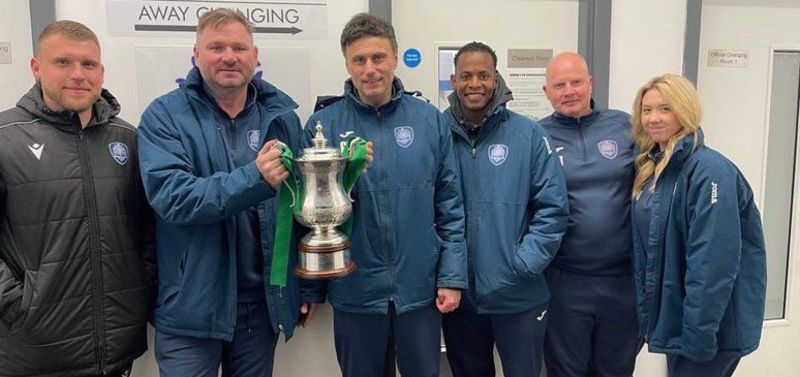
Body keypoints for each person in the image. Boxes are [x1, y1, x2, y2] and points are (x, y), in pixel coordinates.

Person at [137, 9, 310, 377]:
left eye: (239, 47)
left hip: (260, 308)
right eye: (216, 47)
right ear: (196, 56)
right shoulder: (164, 116)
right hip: (191, 309)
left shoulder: (282, 117)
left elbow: (300, 207)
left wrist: (304, 288)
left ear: (255, 55)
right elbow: (174, 197)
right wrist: (255, 179)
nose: (229, 56)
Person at [302, 13, 467, 377]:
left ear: (394, 58)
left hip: (419, 292)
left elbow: (450, 205)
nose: (370, 69)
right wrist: (310, 291)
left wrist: (451, 277)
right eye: (359, 60)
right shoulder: (323, 126)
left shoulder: (430, 120)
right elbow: (306, 213)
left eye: (378, 58)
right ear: (347, 64)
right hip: (355, 291)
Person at [0, 20, 155, 377]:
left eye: (88, 64)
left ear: (101, 71)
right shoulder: (6, 140)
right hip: (33, 353)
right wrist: (15, 305)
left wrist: (141, 290)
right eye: (63, 62)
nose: (78, 74)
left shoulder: (128, 139)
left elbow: (148, 233)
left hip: (117, 350)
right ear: (36, 67)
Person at [441, 41, 569, 377]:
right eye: (466, 75)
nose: (474, 83)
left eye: (483, 75)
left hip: (519, 296)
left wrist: (522, 265)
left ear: (496, 78)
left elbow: (552, 209)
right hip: (459, 297)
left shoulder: (528, 134)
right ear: (453, 80)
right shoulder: (437, 133)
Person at [630, 73, 766, 377]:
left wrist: (699, 337)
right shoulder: (656, 167)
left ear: (685, 110)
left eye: (665, 108)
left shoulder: (709, 171)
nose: (653, 118)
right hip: (681, 323)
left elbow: (713, 262)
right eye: (647, 109)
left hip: (708, 331)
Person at [540, 51, 641, 377]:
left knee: (616, 370)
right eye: (559, 85)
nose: (569, 91)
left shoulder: (625, 126)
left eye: (576, 82)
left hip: (622, 281)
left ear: (590, 83)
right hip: (565, 282)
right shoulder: (535, 137)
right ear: (546, 91)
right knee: (566, 371)